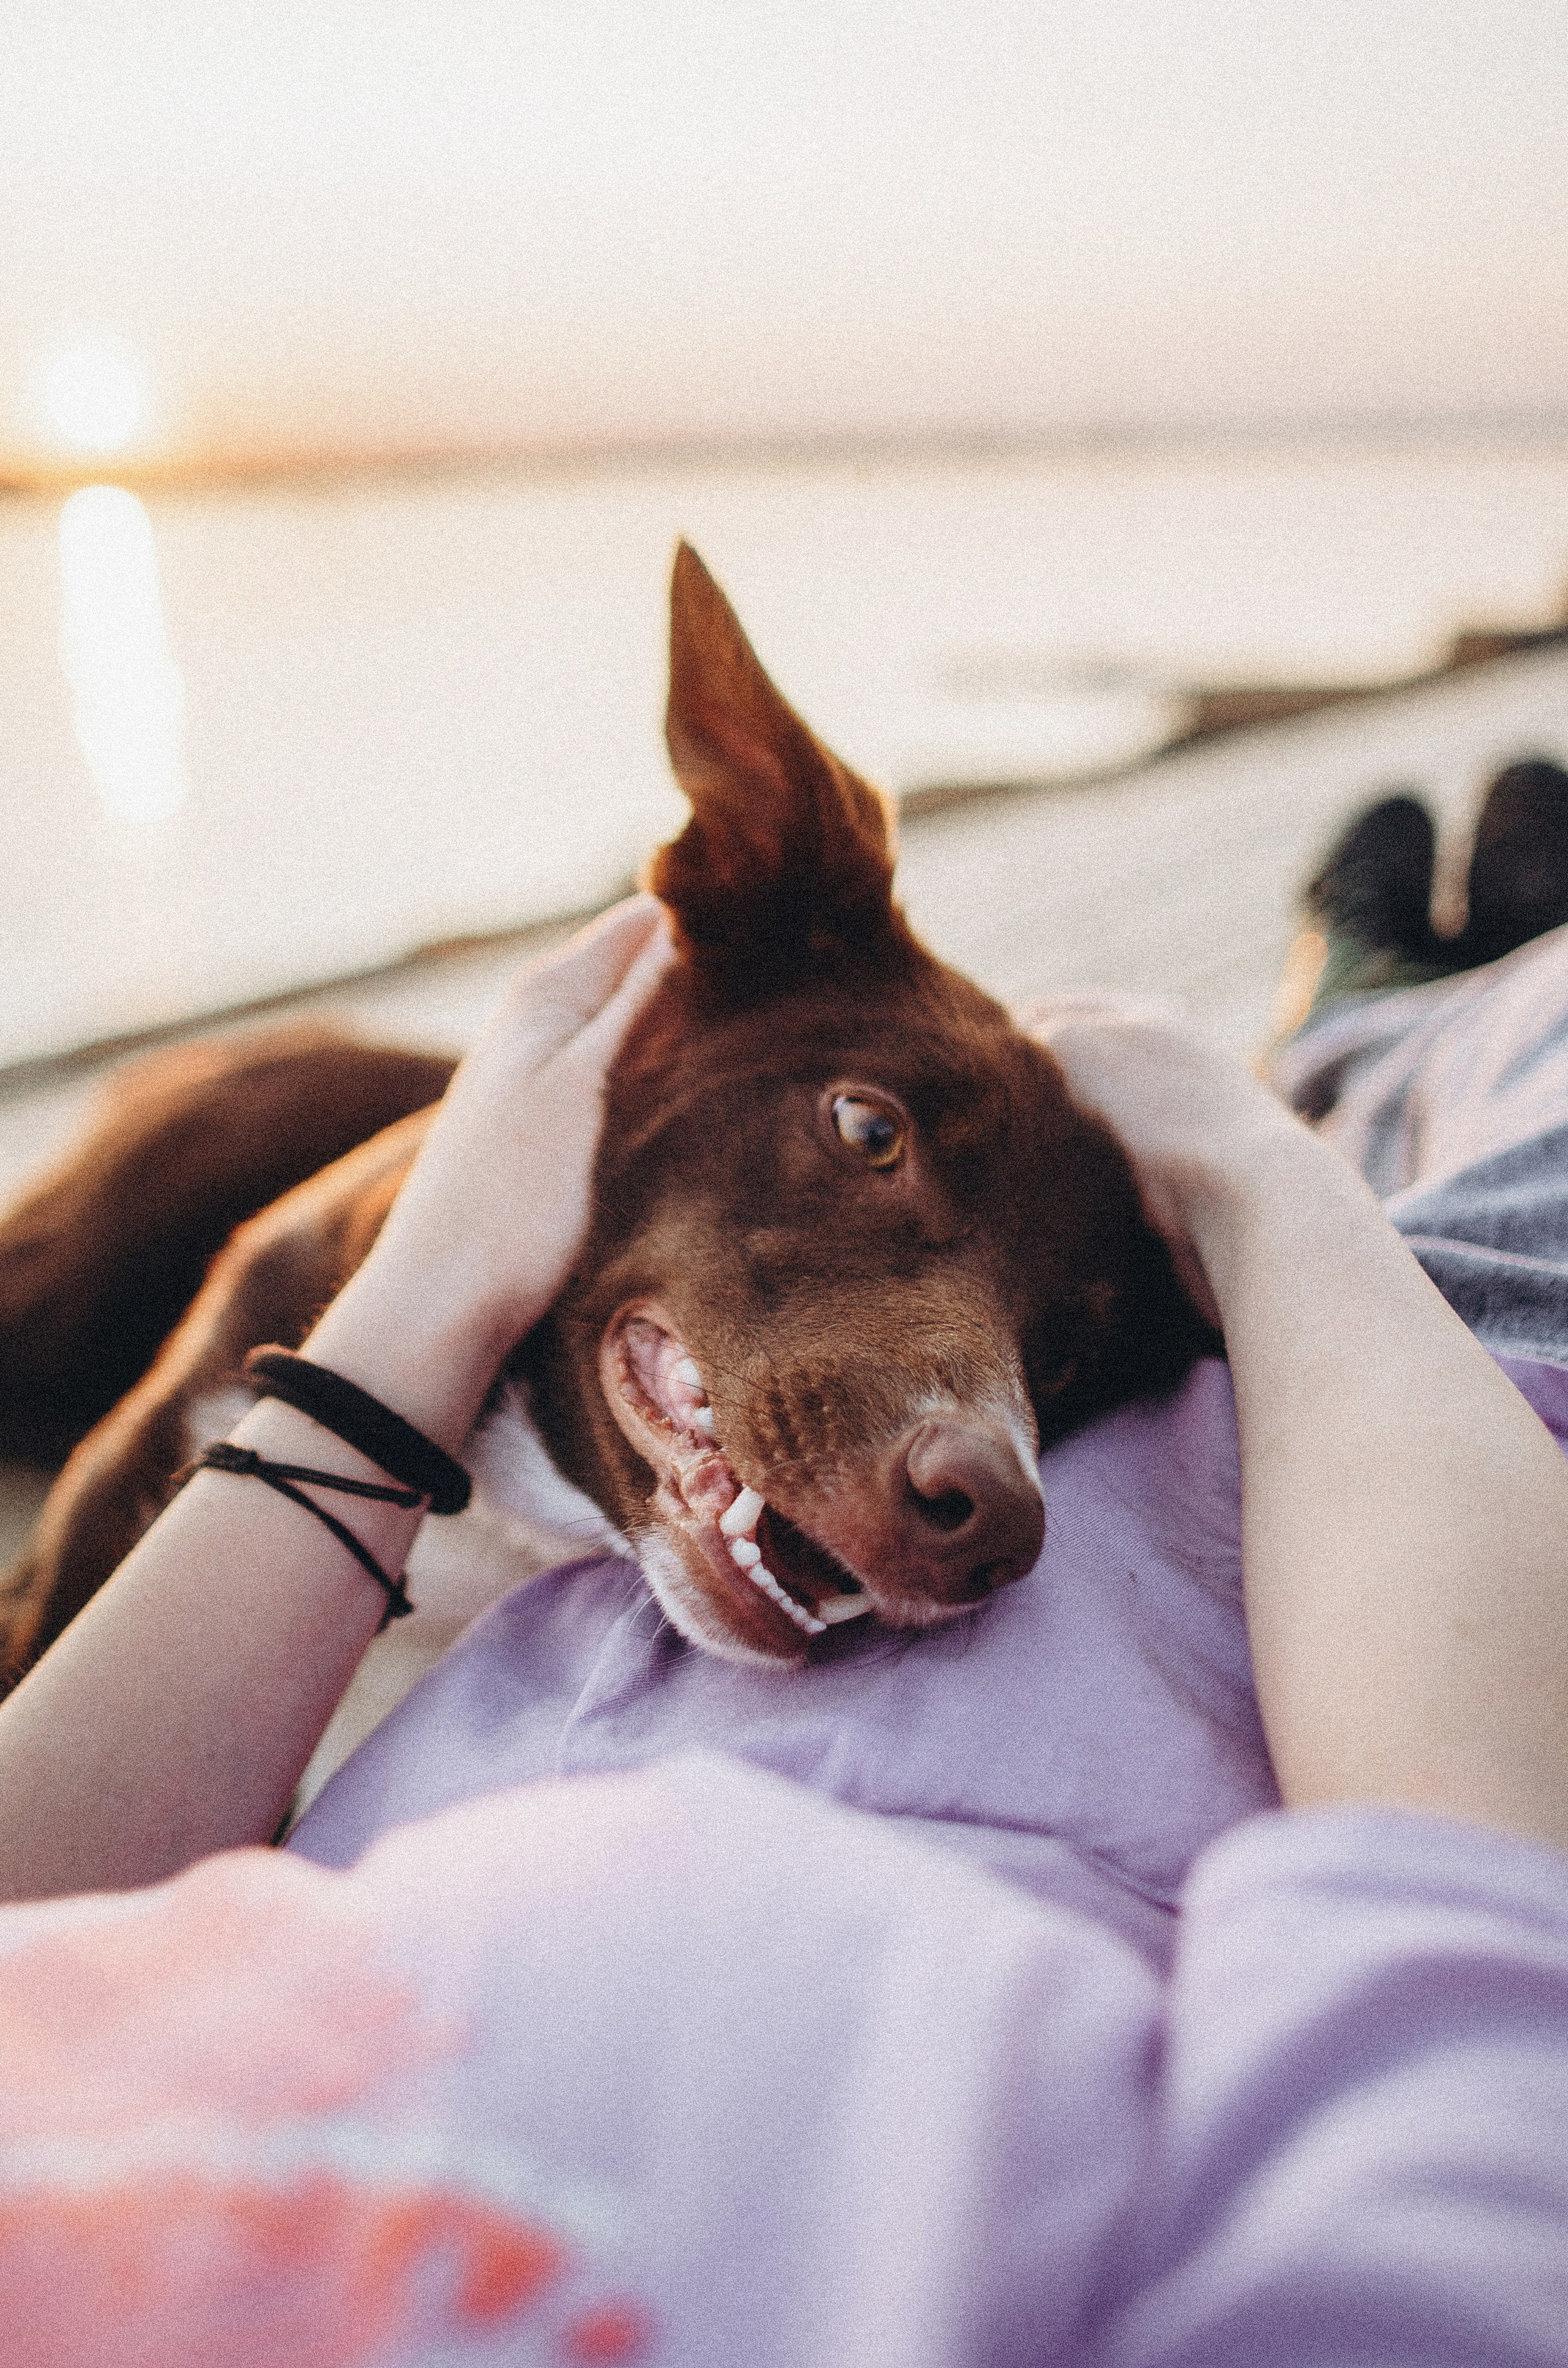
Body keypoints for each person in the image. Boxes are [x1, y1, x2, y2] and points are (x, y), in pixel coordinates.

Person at [2, 810, 1568, 2363]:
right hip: (1394, 1494)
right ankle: (1355, 1022)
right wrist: (1251, 1171)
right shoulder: (1408, 2299)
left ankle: (1355, 1023)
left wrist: (422, 1297)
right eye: (869, 1136)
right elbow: (1478, 1914)